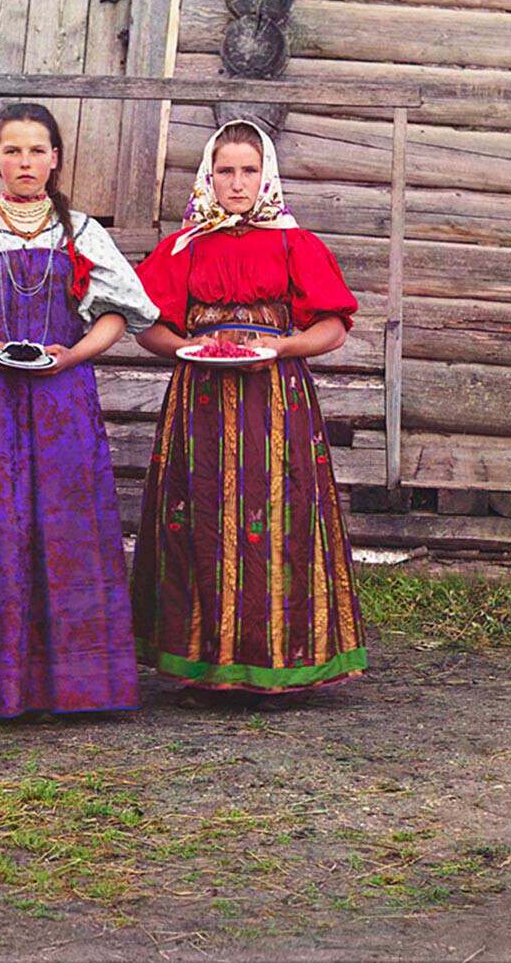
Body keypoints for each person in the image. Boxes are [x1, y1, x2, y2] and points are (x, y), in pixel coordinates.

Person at [0, 103, 159, 720]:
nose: (25, 162)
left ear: (55, 158)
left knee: (65, 527)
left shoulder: (83, 235)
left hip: (62, 403)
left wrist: (71, 357)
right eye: (12, 150)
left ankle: (74, 688)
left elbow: (116, 317)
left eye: (37, 150)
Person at [130, 119, 366, 704]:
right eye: (226, 171)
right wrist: (190, 349)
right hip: (201, 401)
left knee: (278, 519)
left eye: (249, 170)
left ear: (268, 176)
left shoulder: (294, 243)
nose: (237, 183)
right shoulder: (183, 246)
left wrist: (280, 346)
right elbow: (148, 328)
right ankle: (202, 667)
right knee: (201, 517)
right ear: (209, 175)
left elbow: (332, 328)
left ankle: (280, 662)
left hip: (275, 401)